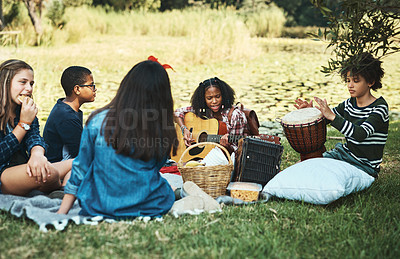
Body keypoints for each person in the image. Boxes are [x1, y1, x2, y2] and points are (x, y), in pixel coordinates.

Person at [57, 59, 178, 219]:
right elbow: (156, 166)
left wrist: (61, 212)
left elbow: (81, 167)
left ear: (127, 87)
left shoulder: (97, 120)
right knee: (167, 186)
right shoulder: (160, 126)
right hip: (149, 205)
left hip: (99, 206)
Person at [295, 52, 388, 177]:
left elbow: (360, 134)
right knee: (303, 165)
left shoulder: (380, 108)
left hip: (364, 166)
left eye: (356, 81)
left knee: (323, 175)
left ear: (370, 81)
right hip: (343, 155)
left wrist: (333, 117)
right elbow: (325, 120)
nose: (350, 85)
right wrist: (310, 112)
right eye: (348, 80)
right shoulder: (349, 103)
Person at [0, 59, 72, 196]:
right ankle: (61, 188)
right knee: (48, 174)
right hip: (3, 174)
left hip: (24, 168)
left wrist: (37, 154)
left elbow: (34, 137)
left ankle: (63, 189)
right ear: (5, 82)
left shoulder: (24, 109)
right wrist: (23, 124)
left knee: (82, 161)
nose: (29, 89)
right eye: (23, 82)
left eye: (31, 84)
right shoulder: (23, 115)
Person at [174, 77, 247, 153]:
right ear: (203, 99)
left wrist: (227, 146)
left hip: (227, 157)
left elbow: (238, 150)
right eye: (209, 98)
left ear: (224, 96)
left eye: (217, 96)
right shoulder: (204, 111)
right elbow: (177, 113)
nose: (214, 101)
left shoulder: (235, 115)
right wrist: (184, 129)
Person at [43, 66, 96, 163]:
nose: (94, 89)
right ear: (77, 89)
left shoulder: (64, 107)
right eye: (91, 85)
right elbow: (81, 153)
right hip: (58, 167)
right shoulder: (66, 117)